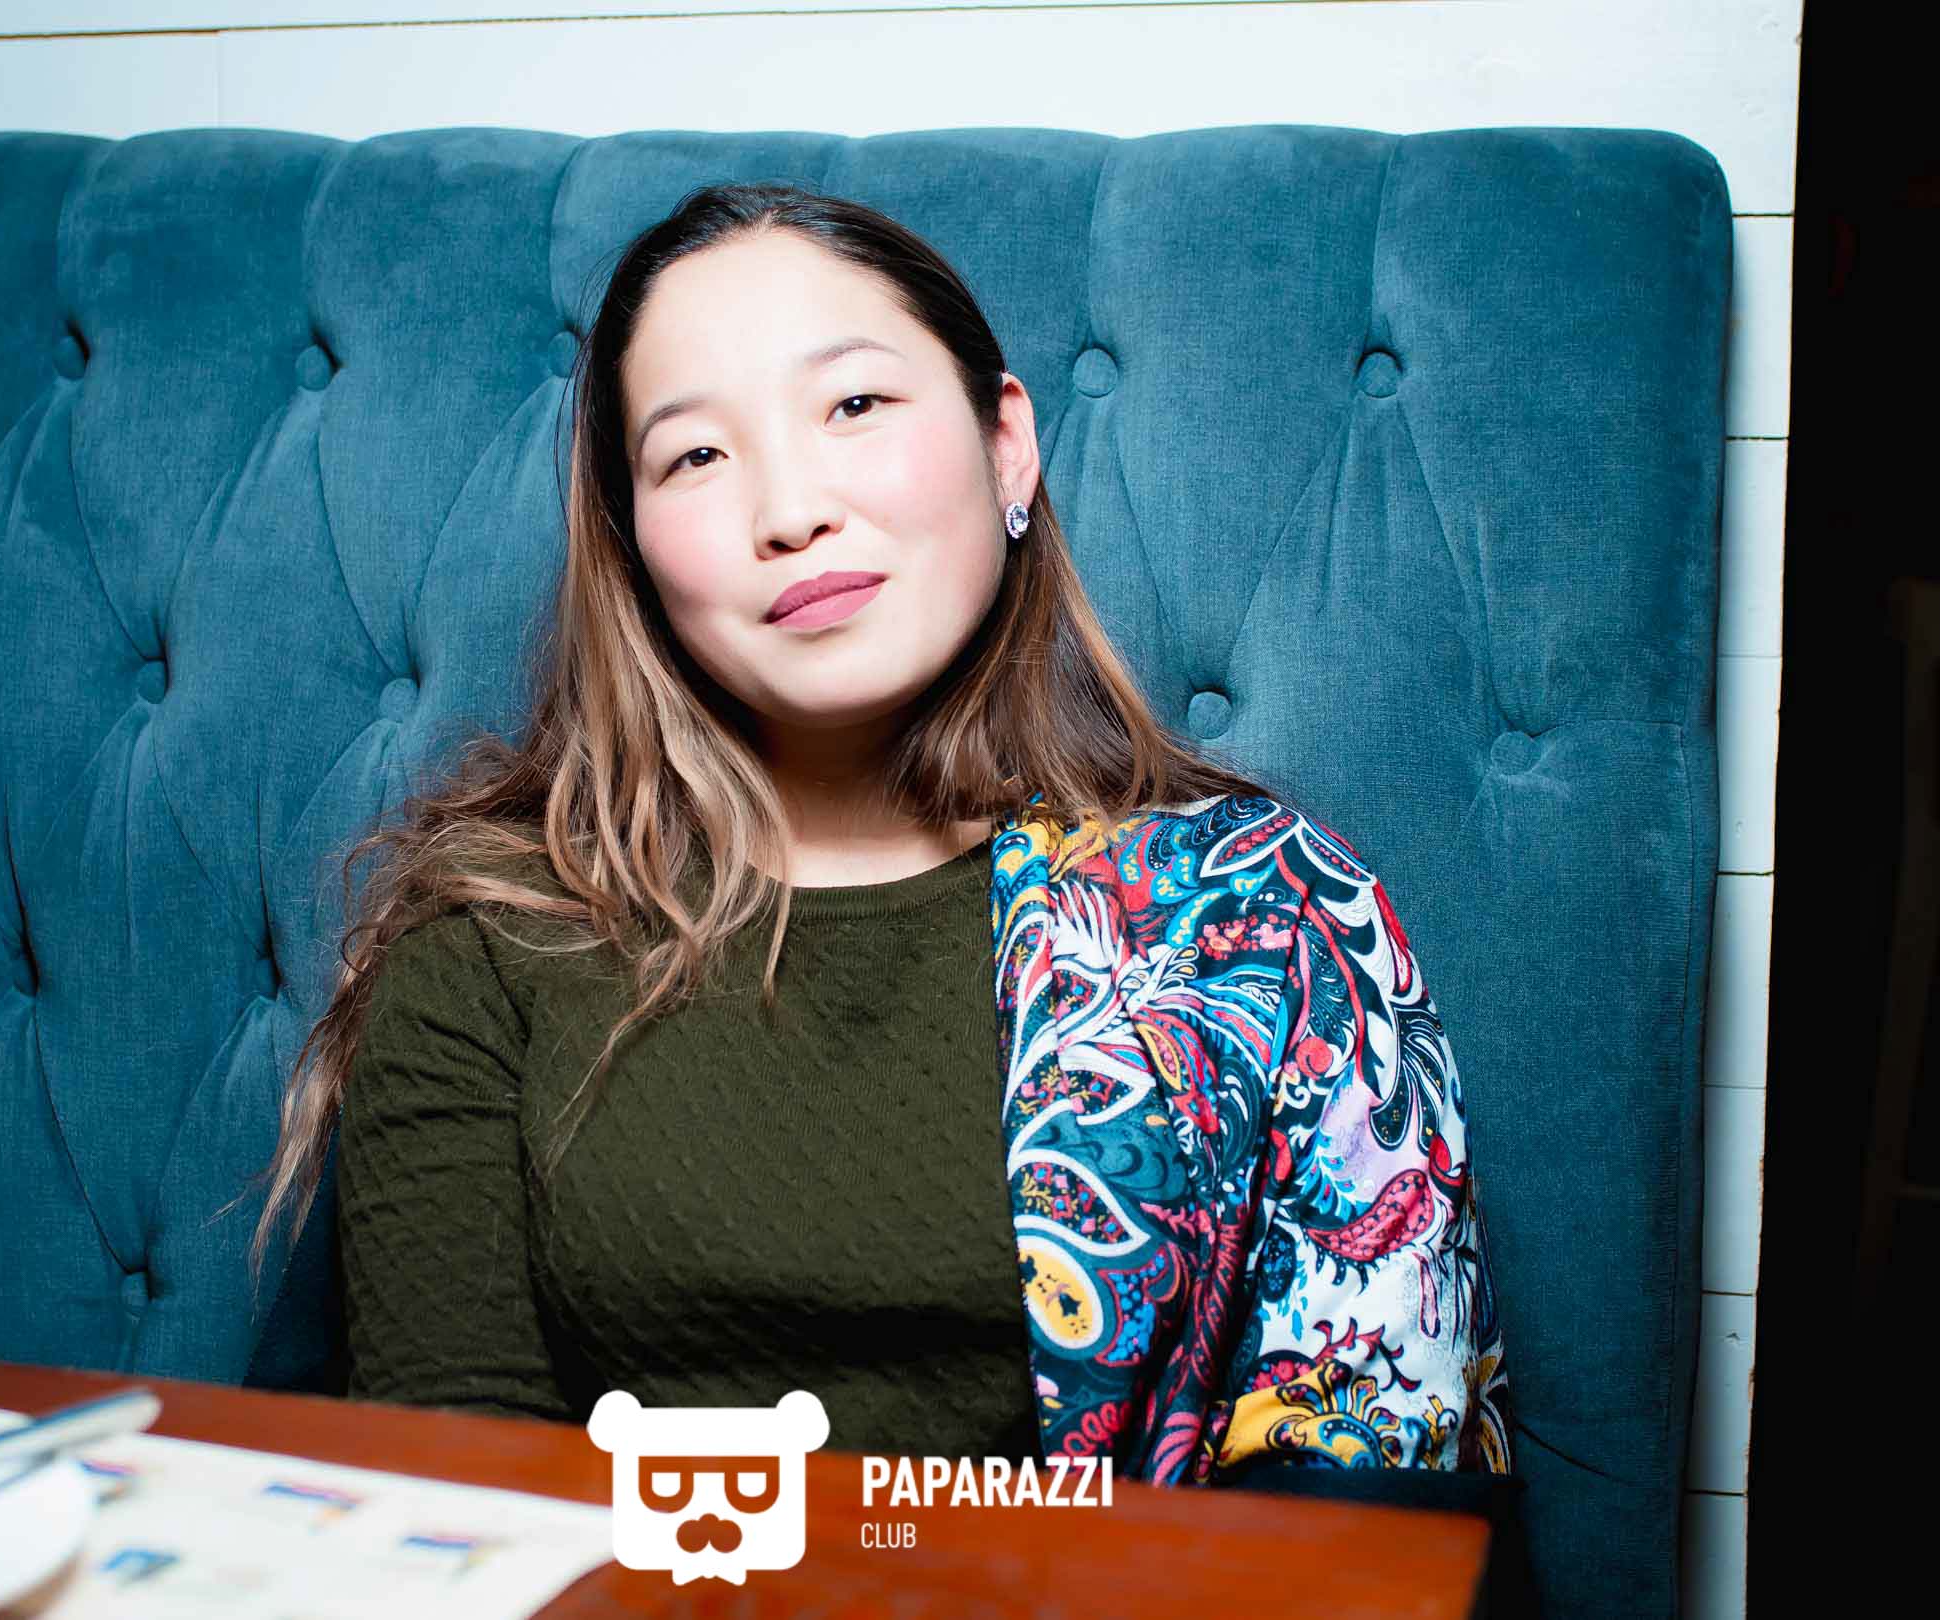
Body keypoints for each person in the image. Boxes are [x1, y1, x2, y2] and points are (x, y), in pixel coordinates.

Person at [235, 181, 1530, 1609]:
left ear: (1005, 442)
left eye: (854, 405)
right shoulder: (498, 932)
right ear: (634, 547)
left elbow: (1371, 1521)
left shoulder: (1265, 913)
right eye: (696, 455)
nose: (791, 511)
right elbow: (460, 1507)